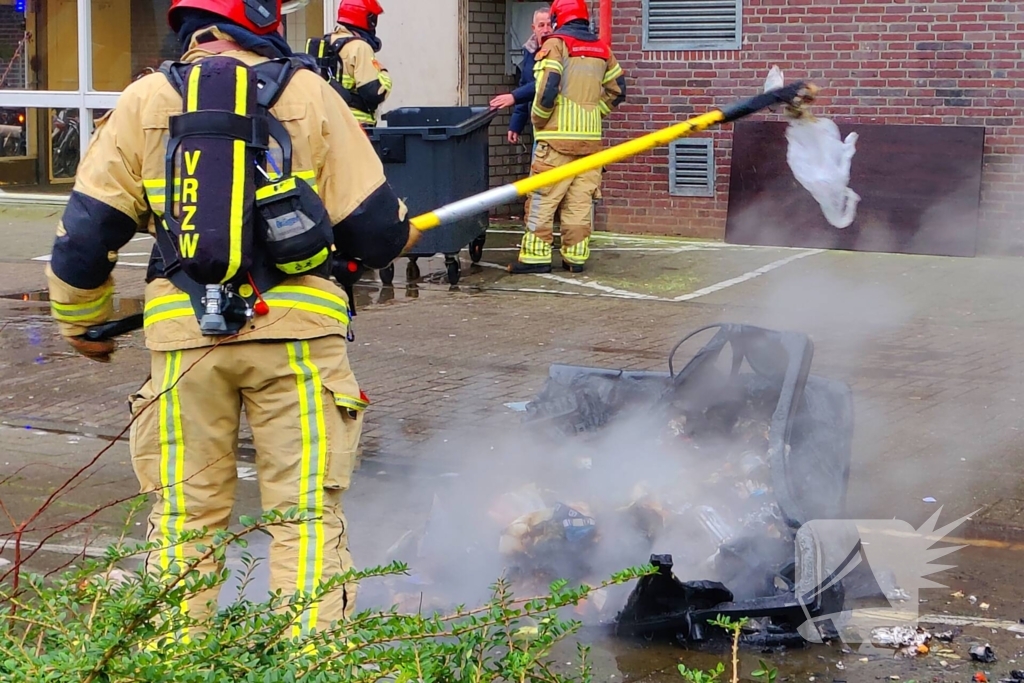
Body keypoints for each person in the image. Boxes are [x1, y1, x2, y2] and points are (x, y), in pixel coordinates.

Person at [45, 0, 413, 637]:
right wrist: (397, 232)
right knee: (302, 520)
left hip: (186, 343)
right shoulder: (311, 94)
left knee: (185, 522)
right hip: (297, 341)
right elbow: (375, 231)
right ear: (265, 20)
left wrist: (83, 323)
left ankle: (173, 664)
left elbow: (83, 240)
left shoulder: (145, 99)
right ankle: (309, 670)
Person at [508, 0, 626, 275]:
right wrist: (594, 114)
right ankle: (575, 257)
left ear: (558, 17)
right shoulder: (601, 50)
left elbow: (547, 89)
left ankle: (535, 257)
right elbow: (619, 90)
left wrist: (539, 119)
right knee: (579, 203)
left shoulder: (555, 45)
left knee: (543, 199)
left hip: (556, 142)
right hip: (590, 144)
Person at [309, 0, 391, 128]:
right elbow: (374, 93)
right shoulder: (359, 47)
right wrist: (383, 72)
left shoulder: (327, 42)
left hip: (328, 123)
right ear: (368, 20)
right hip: (355, 127)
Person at [489, 8, 552, 145]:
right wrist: (516, 125)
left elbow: (544, 83)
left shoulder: (558, 52)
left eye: (550, 24)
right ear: (533, 28)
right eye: (541, 25)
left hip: (554, 126)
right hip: (539, 127)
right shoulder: (530, 51)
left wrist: (513, 96)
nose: (546, 30)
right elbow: (525, 85)